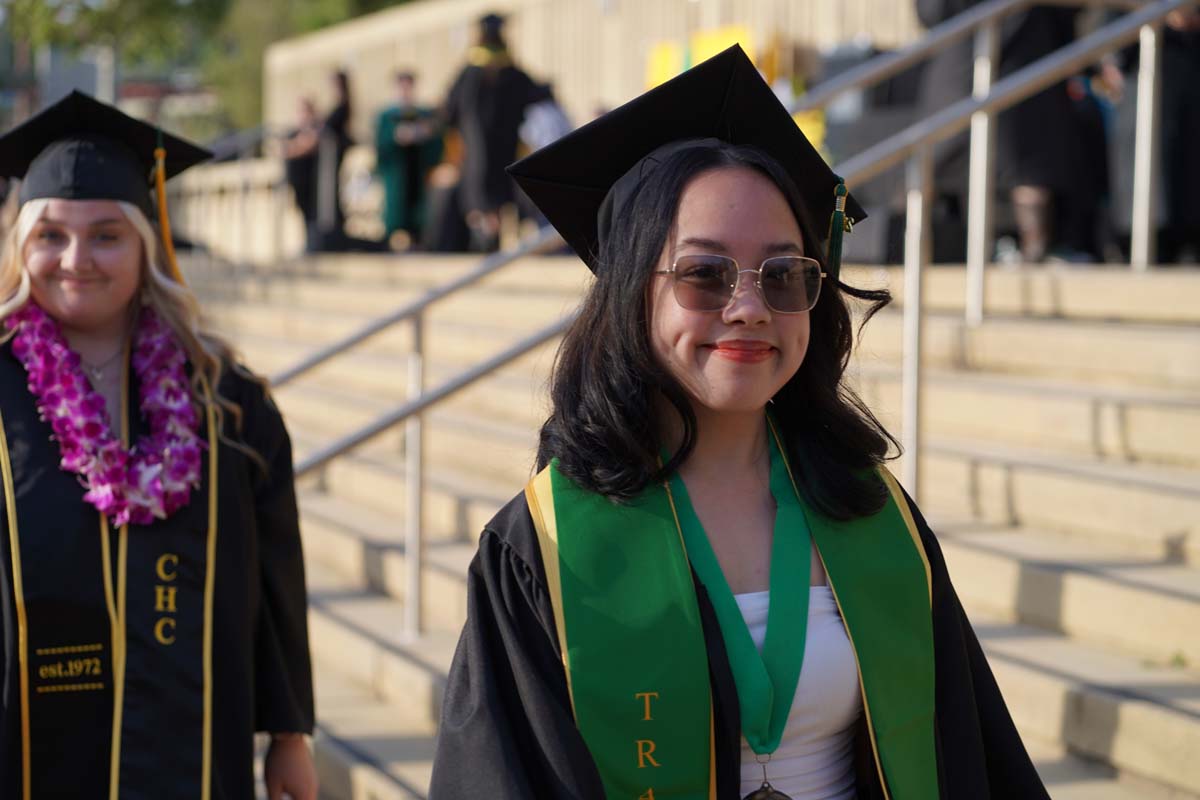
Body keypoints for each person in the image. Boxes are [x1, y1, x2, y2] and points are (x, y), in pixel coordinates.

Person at [429, 46, 1049, 799]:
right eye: (703, 273)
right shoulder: (546, 546)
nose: (751, 306)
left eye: (784, 274)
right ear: (631, 293)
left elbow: (970, 756)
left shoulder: (874, 514)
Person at [0, 91, 316, 799]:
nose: (76, 258)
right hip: (24, 751)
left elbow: (276, 575)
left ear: (148, 244)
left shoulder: (226, 399)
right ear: (20, 247)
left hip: (194, 747)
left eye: (107, 234)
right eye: (50, 235)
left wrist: (289, 735)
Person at [443, 12, 540, 251]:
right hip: (505, 145)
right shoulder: (512, 71)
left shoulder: (469, 71)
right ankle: (499, 232)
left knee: (479, 187)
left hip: (475, 145)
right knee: (501, 188)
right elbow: (535, 95)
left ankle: (484, 233)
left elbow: (450, 110)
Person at [374, 70, 444, 250]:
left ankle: (418, 243)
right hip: (397, 173)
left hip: (417, 173)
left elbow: (437, 142)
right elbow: (380, 145)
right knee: (395, 214)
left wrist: (425, 133)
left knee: (418, 217)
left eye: (408, 86)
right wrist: (396, 137)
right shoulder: (386, 116)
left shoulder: (423, 114)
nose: (405, 91)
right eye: (401, 87)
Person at [283, 97, 322, 252]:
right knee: (302, 213)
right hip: (297, 180)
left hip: (310, 181)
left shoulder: (315, 129)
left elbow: (306, 145)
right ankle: (308, 244)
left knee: (311, 215)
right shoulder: (294, 132)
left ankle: (313, 245)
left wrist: (294, 147)